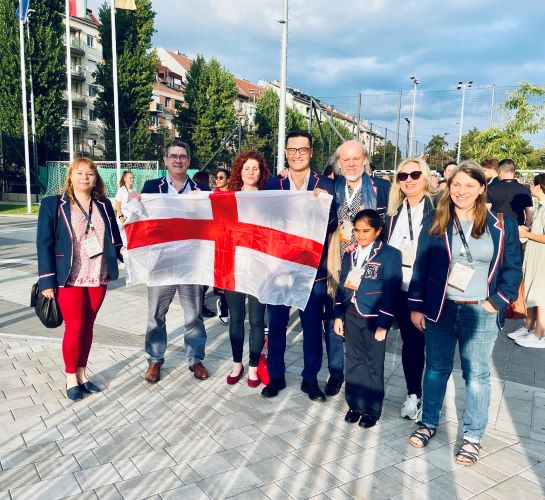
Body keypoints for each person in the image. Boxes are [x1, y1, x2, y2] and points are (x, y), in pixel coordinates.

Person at [407, 161, 522, 466]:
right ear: (449, 186)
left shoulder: (503, 225)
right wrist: (416, 305)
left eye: (470, 185)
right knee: (435, 369)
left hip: (480, 312)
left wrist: (497, 301)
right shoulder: (436, 220)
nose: (462, 191)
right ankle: (428, 422)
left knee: (477, 376)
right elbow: (421, 265)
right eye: (456, 184)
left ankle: (472, 435)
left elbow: (513, 268)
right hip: (440, 309)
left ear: (482, 188)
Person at [37, 158, 123, 401]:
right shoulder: (53, 204)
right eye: (80, 173)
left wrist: (125, 251)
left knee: (88, 326)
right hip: (69, 277)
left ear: (96, 179)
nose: (85, 177)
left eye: (90, 173)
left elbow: (114, 237)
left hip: (98, 274)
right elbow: (44, 243)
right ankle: (70, 377)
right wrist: (47, 281)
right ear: (70, 177)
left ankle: (83, 374)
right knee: (75, 328)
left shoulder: (104, 204)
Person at [261, 130, 337, 401]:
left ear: (311, 153)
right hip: (279, 269)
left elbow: (332, 226)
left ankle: (310, 380)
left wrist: (323, 206)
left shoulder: (324, 185)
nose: (297, 155)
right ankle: (276, 377)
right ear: (285, 153)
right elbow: (262, 220)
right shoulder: (274, 183)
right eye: (292, 150)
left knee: (312, 329)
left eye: (302, 150)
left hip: (311, 271)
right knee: (277, 326)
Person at [137, 140, 210, 383]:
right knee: (156, 316)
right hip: (161, 263)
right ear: (165, 160)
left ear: (189, 161)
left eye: (183, 156)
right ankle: (155, 359)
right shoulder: (151, 187)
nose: (178, 160)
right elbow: (142, 220)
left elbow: (212, 221)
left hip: (191, 264)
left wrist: (203, 203)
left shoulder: (201, 189)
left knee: (194, 315)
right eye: (173, 156)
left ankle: (195, 359)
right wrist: (135, 202)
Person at [325, 140, 390, 396]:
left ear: (365, 160)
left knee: (363, 322)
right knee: (335, 319)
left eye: (356, 158)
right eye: (346, 159)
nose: (351, 164)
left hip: (370, 265)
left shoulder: (382, 188)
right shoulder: (332, 187)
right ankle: (335, 372)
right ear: (339, 163)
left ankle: (363, 377)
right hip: (339, 264)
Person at [334, 209, 402, 428]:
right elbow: (342, 284)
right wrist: (338, 315)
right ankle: (355, 404)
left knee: (373, 363)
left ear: (378, 230)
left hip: (374, 316)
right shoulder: (350, 253)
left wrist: (384, 324)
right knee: (353, 360)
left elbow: (392, 290)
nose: (361, 235)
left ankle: (372, 409)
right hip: (351, 313)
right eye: (357, 230)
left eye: (366, 231)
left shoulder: (390, 254)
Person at [385, 157, 436, 420]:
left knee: (433, 348)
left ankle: (432, 398)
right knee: (411, 345)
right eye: (403, 176)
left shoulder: (438, 210)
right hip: (400, 290)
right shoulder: (393, 213)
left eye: (415, 174)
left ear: (425, 177)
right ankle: (414, 394)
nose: (409, 180)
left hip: (427, 290)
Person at [223, 150, 270, 387]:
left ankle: (252, 367)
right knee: (236, 318)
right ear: (239, 171)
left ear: (261, 173)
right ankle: (236, 364)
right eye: (246, 168)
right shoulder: (228, 199)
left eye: (255, 168)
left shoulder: (270, 200)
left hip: (259, 269)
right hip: (233, 267)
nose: (251, 172)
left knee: (257, 320)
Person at [509, 173, 545, 348]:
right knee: (532, 293)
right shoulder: (541, 207)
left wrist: (526, 234)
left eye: (533, 183)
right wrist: (529, 231)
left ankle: (539, 335)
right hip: (535, 256)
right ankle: (529, 328)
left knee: (540, 296)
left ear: (539, 186)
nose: (531, 186)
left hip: (541, 258)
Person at [487, 159, 534, 226]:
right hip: (518, 227)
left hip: (497, 228)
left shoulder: (491, 189)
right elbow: (530, 213)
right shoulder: (525, 190)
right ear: (513, 172)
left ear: (500, 172)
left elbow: (486, 211)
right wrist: (526, 226)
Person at [212, 168, 231, 322]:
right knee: (223, 276)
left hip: (232, 240)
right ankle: (224, 307)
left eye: (221, 177)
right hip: (218, 240)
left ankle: (226, 306)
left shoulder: (235, 194)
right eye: (216, 177)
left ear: (228, 179)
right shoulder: (212, 195)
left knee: (231, 276)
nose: (217, 180)